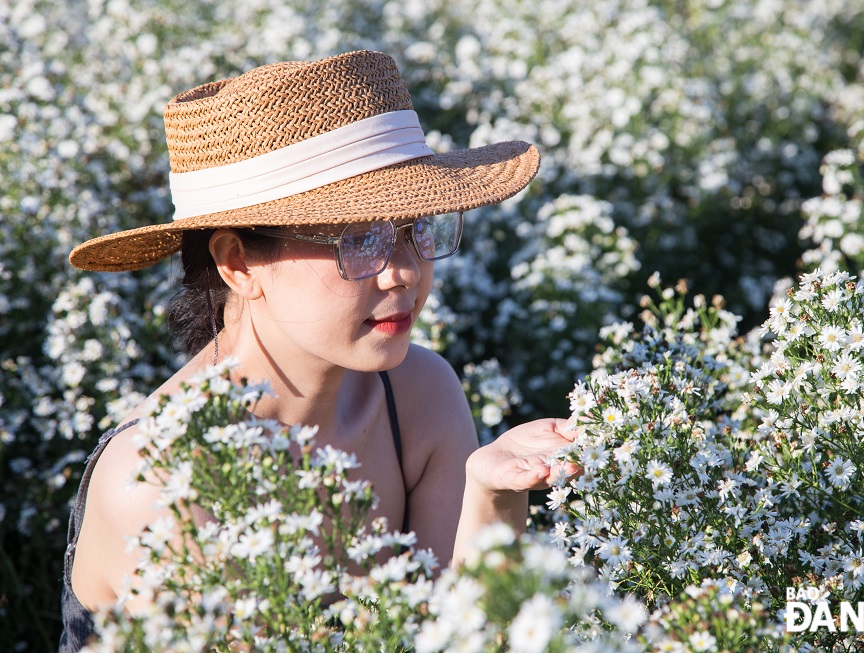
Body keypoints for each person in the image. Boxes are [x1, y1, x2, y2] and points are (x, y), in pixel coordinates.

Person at [60, 49, 577, 651]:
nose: (405, 272)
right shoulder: (161, 480)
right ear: (237, 263)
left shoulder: (418, 393)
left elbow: (462, 636)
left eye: (418, 228)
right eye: (360, 239)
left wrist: (494, 500)